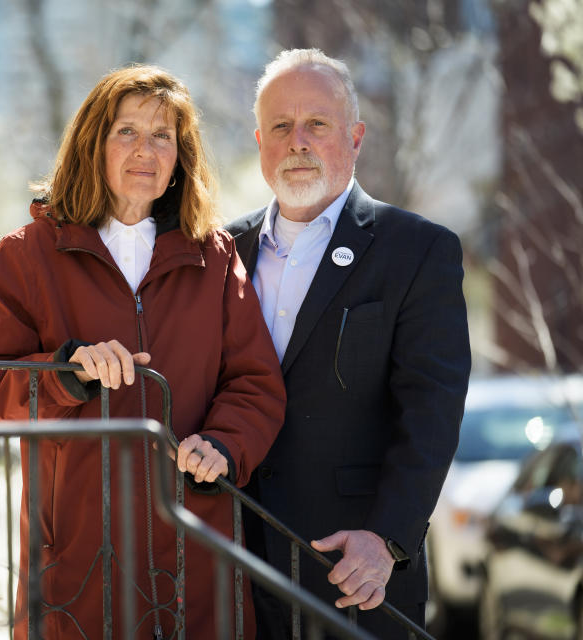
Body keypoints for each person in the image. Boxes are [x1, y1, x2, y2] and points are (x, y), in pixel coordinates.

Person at [0, 65, 286, 639]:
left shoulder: (213, 257)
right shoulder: (25, 256)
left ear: (180, 157)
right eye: (127, 132)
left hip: (195, 544)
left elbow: (254, 382)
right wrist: (67, 373)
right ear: (94, 143)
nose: (146, 150)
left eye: (163, 135)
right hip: (77, 554)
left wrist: (225, 444)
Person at [225, 49, 471, 638]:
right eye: (281, 126)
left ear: (355, 137)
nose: (297, 141)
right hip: (235, 569)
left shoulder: (417, 251)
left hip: (354, 575)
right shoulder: (222, 251)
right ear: (260, 142)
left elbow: (431, 415)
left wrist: (387, 538)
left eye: (318, 124)